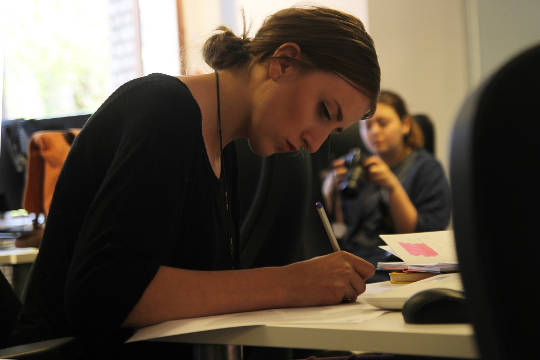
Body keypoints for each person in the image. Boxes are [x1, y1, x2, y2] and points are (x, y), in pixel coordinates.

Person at [10, 6, 380, 359]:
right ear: (283, 63)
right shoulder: (163, 111)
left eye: (333, 130)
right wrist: (291, 283)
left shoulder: (225, 147)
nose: (314, 143)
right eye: (324, 112)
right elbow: (104, 295)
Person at [322, 90, 451, 282]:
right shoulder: (359, 168)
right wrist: (329, 189)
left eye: (382, 123)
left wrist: (392, 186)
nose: (374, 132)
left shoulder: (426, 169)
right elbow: (341, 229)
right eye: (367, 126)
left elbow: (422, 239)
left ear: (405, 125)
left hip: (399, 270)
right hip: (355, 263)